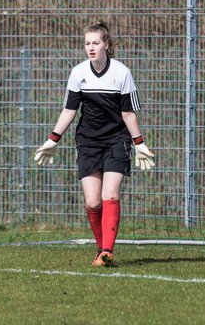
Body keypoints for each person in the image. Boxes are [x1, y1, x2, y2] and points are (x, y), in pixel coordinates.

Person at [34, 20, 155, 267]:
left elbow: (128, 114)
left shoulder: (121, 72)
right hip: (88, 142)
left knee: (110, 193)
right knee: (92, 201)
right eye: (87, 43)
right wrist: (52, 139)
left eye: (96, 43)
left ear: (106, 45)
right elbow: (69, 111)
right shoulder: (78, 73)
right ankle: (101, 248)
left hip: (116, 140)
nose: (91, 47)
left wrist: (139, 143)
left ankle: (106, 251)